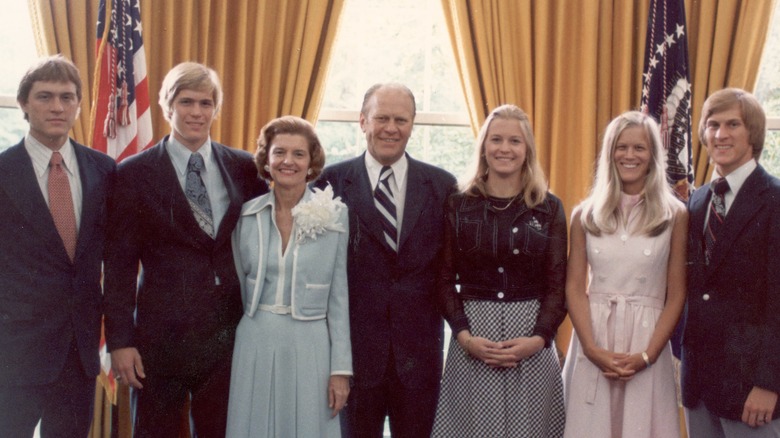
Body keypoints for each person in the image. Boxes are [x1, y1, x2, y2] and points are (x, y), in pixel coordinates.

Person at [103, 62, 266, 437]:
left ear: (216, 109)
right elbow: (119, 268)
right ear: (167, 107)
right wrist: (120, 342)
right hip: (159, 342)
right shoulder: (132, 174)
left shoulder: (243, 168)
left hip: (228, 337)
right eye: (186, 102)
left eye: (206, 103)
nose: (196, 112)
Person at [315, 83, 456, 437]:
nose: (391, 128)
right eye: (381, 118)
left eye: (401, 119)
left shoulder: (442, 185)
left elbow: (449, 270)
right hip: (355, 356)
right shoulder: (329, 183)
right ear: (362, 121)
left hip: (419, 355)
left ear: (412, 125)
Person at [432, 104, 567, 437]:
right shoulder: (457, 203)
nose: (504, 149)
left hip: (532, 338)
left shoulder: (549, 207)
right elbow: (444, 279)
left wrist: (539, 338)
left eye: (514, 141)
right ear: (483, 147)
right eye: (496, 140)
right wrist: (464, 337)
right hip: (473, 337)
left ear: (527, 150)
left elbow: (557, 284)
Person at [0, 55, 116, 436]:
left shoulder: (104, 170)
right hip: (14, 352)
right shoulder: (3, 173)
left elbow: (115, 261)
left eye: (67, 97)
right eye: (45, 96)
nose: (57, 107)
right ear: (23, 105)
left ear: (78, 105)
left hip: (78, 354)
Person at [561, 111, 687, 438]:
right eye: (621, 147)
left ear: (653, 157)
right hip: (595, 339)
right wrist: (591, 348)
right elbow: (574, 287)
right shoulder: (584, 214)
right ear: (609, 153)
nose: (629, 155)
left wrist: (648, 355)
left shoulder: (674, 215)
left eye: (639, 148)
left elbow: (676, 294)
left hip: (647, 343)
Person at [226, 116, 351, 437]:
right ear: (266, 161)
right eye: (279, 152)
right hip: (255, 339)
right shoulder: (247, 215)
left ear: (312, 162)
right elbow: (238, 280)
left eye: (299, 154)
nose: (288, 162)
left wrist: (340, 370)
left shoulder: (335, 215)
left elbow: (339, 298)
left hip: (311, 344)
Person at [682, 88, 780, 437]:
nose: (720, 134)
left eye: (732, 124)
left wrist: (770, 383)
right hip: (699, 384)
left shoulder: (775, 200)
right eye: (712, 125)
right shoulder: (698, 200)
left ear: (752, 132)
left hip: (753, 389)